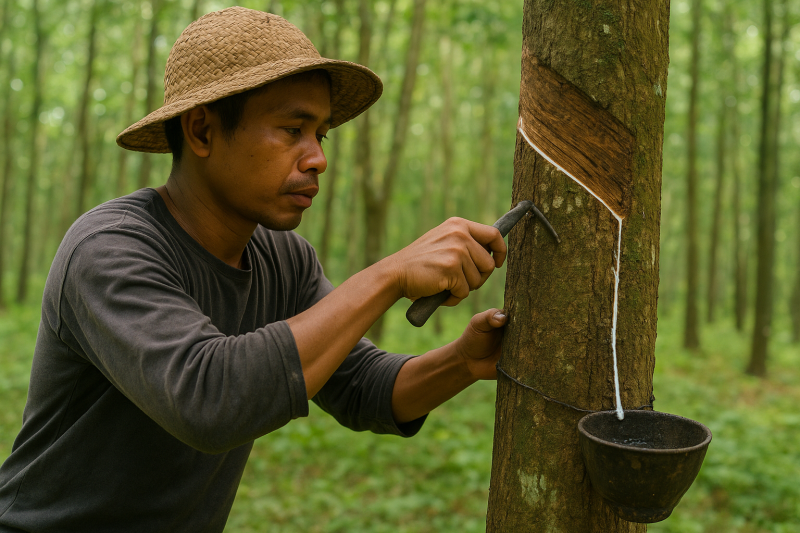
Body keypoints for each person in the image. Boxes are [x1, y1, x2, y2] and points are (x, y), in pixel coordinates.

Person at [0, 7, 508, 531]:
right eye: (292, 130)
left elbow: (363, 387)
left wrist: (463, 362)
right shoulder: (109, 249)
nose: (317, 159)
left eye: (322, 135)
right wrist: (389, 275)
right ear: (202, 131)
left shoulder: (283, 260)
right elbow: (209, 399)